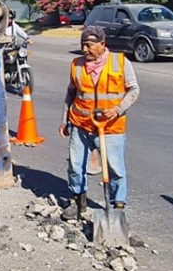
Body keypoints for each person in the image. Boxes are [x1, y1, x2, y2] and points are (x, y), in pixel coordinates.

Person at [59, 25, 140, 220]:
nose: (85, 50)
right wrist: (64, 120)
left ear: (102, 44)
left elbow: (134, 90)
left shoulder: (120, 62)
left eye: (89, 45)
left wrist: (118, 109)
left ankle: (117, 207)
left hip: (111, 126)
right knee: (76, 165)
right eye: (82, 45)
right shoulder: (76, 64)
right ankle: (78, 201)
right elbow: (71, 93)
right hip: (81, 124)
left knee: (115, 168)